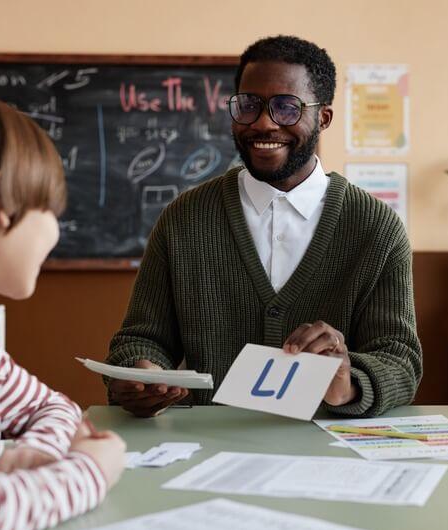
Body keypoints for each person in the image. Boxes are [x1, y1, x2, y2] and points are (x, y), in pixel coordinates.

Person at [106, 35, 422, 418]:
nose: (263, 123)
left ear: (323, 117)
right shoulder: (184, 219)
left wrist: (348, 381)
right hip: (208, 448)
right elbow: (141, 339)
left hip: (330, 451)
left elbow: (399, 360)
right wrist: (141, 372)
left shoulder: (377, 228)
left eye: (287, 108)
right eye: (249, 105)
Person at [0, 89, 126, 530]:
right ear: (0, 205)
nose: (56, 232)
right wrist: (87, 471)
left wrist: (39, 456)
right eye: (50, 211)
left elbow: (54, 406)